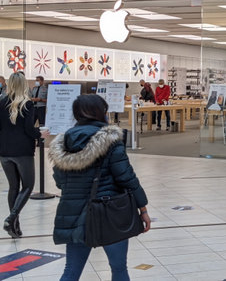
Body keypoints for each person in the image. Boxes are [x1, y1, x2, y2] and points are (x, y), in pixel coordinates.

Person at [49, 94, 151, 280]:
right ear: (101, 113)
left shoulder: (63, 143)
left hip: (73, 213)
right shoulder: (111, 140)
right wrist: (142, 208)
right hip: (109, 213)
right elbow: (126, 177)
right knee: (119, 269)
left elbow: (59, 180)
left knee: (71, 270)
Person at [0, 72, 50, 238]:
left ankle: (15, 226)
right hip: (22, 151)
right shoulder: (27, 104)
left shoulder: (1, 102)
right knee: (28, 186)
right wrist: (39, 134)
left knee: (13, 187)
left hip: (4, 152)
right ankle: (11, 218)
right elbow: (29, 129)